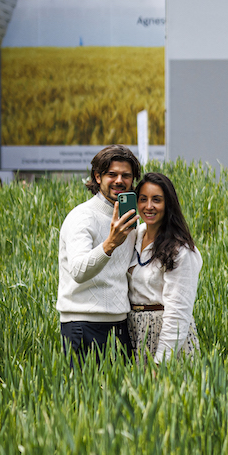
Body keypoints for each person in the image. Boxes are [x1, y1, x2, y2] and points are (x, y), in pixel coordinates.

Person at [57, 145, 141, 360]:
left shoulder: (130, 222)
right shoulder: (82, 217)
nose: (119, 181)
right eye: (112, 174)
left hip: (120, 324)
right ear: (97, 176)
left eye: (126, 175)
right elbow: (78, 271)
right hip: (82, 324)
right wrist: (110, 243)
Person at [127, 172, 202, 362]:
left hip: (165, 337)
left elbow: (178, 311)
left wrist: (162, 361)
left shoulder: (181, 250)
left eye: (156, 200)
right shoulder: (133, 236)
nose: (149, 206)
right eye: (143, 199)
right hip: (134, 333)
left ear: (168, 204)